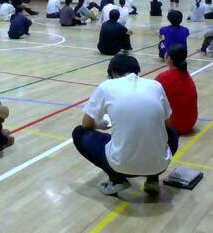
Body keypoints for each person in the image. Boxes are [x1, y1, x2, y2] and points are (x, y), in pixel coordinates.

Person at [72, 53, 176, 196]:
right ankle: (152, 178)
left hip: (121, 165)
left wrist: (100, 125)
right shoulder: (156, 85)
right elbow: (168, 125)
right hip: (159, 165)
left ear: (114, 73)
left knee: (79, 133)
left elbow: (86, 124)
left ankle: (117, 179)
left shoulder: (106, 86)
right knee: (172, 133)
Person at [156, 44, 198, 136]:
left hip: (174, 126)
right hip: (190, 122)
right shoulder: (186, 74)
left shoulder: (164, 77)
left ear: (169, 59)